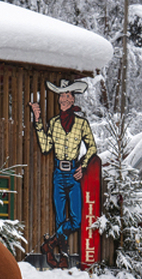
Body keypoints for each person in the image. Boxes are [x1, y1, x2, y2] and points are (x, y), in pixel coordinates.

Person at [28, 79, 100, 266]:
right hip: (58, 174)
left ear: (73, 100)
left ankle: (49, 244)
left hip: (73, 174)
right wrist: (37, 120)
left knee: (75, 220)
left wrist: (82, 166)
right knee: (60, 220)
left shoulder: (81, 124)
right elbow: (45, 146)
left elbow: (92, 147)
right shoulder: (53, 123)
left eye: (67, 95)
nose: (64, 99)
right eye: (61, 95)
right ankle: (63, 257)